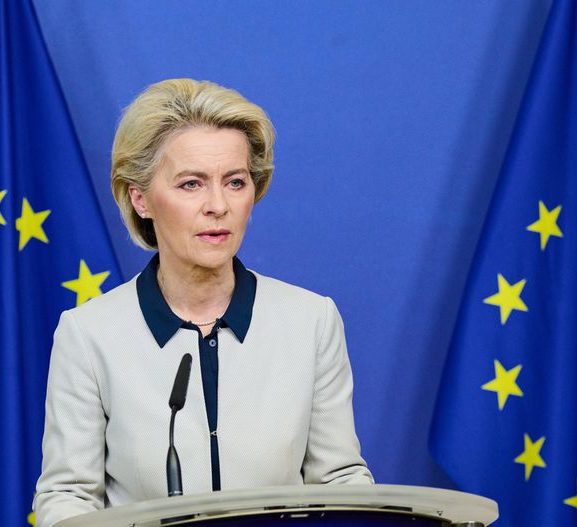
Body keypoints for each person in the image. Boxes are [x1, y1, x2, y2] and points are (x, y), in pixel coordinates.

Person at [34, 78, 372, 527]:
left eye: (235, 182)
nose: (218, 205)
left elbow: (340, 481)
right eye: (191, 184)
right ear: (141, 198)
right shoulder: (89, 334)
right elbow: (68, 497)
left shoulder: (310, 321)